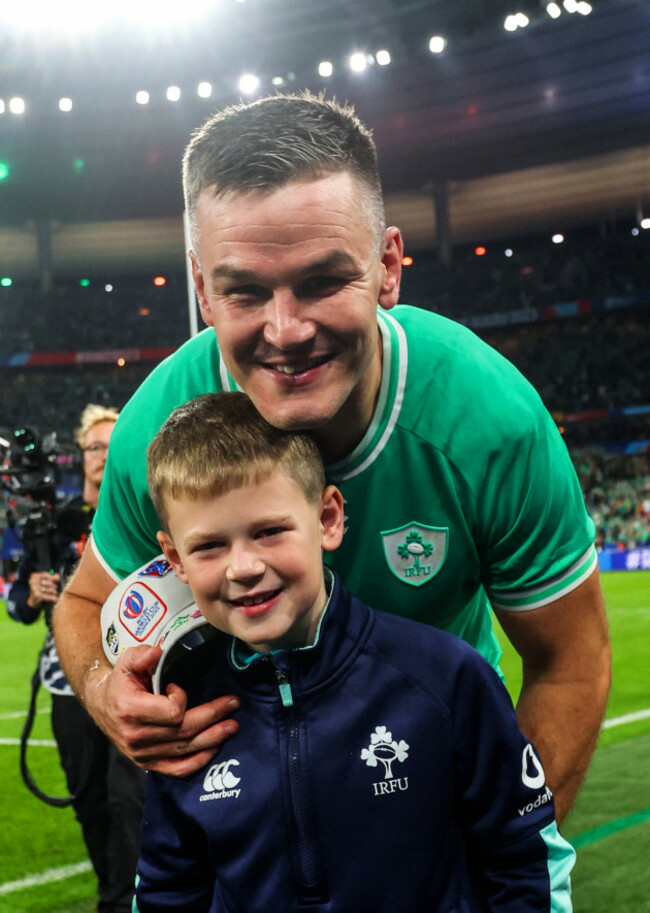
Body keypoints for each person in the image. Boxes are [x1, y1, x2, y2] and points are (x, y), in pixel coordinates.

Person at [54, 91, 610, 824]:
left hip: (441, 778)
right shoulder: (156, 429)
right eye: (245, 291)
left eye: (321, 281)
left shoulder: (489, 422)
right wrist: (102, 689)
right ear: (201, 288)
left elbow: (570, 661)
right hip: (253, 819)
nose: (285, 331)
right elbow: (87, 601)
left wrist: (497, 853)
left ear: (388, 267)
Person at [127, 391, 574, 912]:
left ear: (328, 519)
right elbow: (168, 889)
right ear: (174, 558)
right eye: (209, 547)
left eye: (269, 532)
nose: (243, 567)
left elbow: (523, 856)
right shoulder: (185, 709)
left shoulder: (445, 677)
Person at [8, 405, 145, 913]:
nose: (102, 456)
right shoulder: (57, 522)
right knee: (88, 801)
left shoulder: (135, 515)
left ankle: (122, 900)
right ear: (78, 455)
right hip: (67, 682)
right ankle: (111, 888)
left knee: (130, 799)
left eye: (112, 446)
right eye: (93, 447)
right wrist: (34, 592)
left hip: (131, 674)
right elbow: (18, 603)